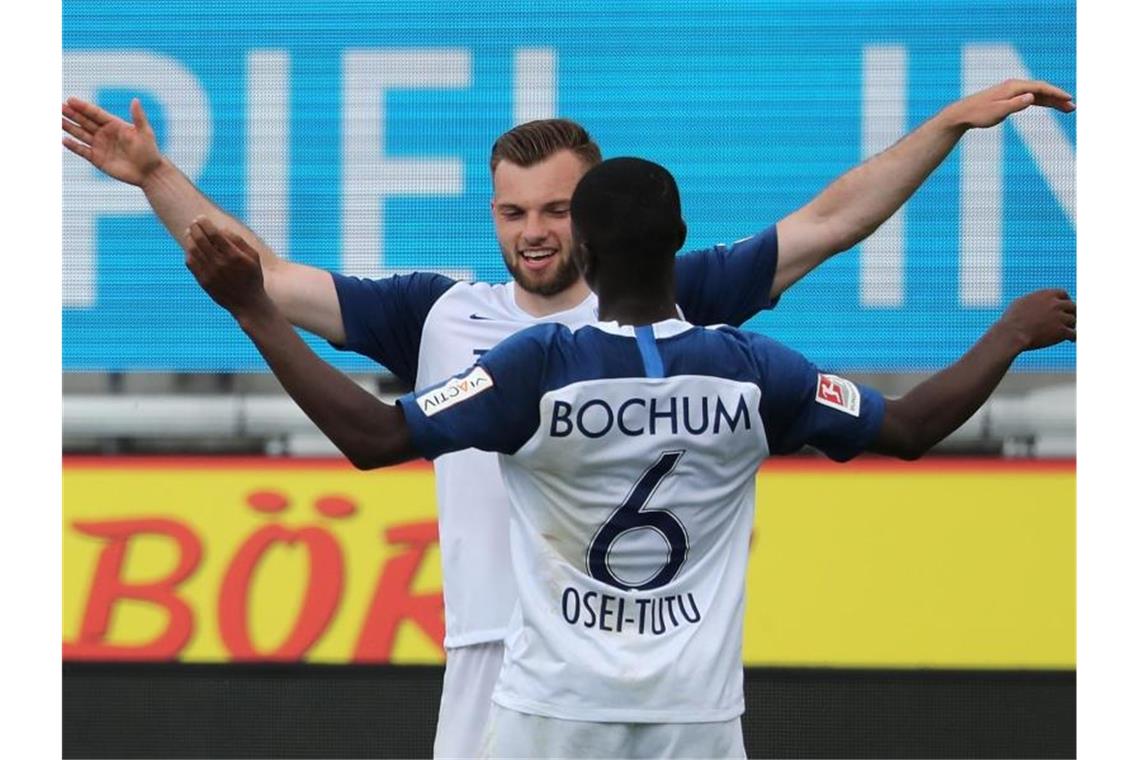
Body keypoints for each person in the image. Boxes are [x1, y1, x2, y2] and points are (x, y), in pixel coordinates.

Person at [61, 78, 1074, 757]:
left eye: (554, 210)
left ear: (590, 214)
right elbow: (264, 276)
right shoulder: (439, 312)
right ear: (491, 212)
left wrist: (946, 127)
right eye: (512, 213)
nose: (534, 232)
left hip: (629, 662)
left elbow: (830, 220)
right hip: (496, 657)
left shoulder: (679, 302)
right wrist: (156, 177)